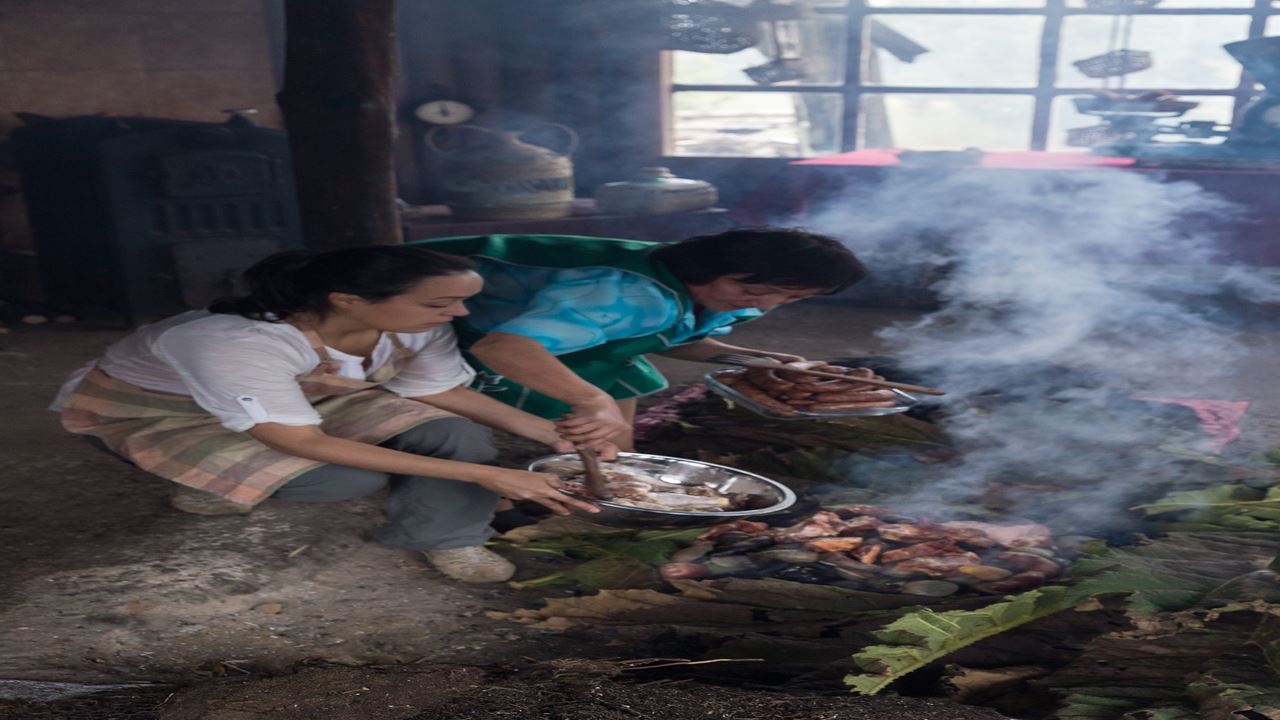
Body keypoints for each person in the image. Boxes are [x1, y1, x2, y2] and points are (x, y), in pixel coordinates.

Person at [52, 246, 604, 584]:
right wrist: (487, 475)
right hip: (167, 415)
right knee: (347, 475)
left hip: (307, 400)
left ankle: (447, 536)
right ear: (347, 299)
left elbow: (439, 391)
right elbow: (304, 442)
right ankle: (209, 482)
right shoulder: (235, 342)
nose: (459, 315)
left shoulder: (414, 325)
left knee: (455, 434)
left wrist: (549, 433)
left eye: (461, 302)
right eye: (441, 304)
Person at [413, 228, 867, 450]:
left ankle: (615, 473)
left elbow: (662, 338)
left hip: (515, 328)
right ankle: (501, 505)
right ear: (709, 268)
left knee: (620, 373)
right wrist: (592, 401)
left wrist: (755, 357)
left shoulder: (705, 290)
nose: (766, 306)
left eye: (789, 299)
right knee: (587, 393)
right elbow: (503, 348)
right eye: (754, 291)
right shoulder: (629, 293)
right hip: (417, 307)